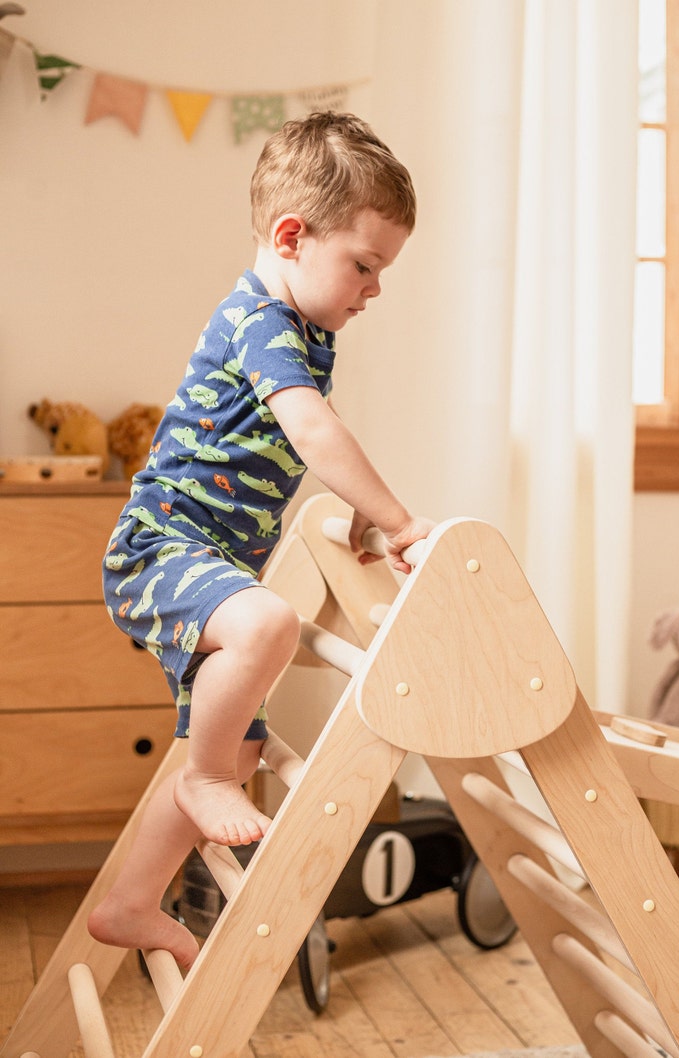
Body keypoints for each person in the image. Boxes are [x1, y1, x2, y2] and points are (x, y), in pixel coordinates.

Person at [87, 111, 434, 968]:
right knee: (268, 626)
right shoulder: (261, 324)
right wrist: (396, 519)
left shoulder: (305, 335)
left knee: (234, 741)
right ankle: (202, 783)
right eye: (365, 264)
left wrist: (354, 510)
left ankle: (130, 902)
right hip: (159, 548)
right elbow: (312, 435)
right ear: (292, 236)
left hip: (205, 564)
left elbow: (303, 443)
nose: (374, 290)